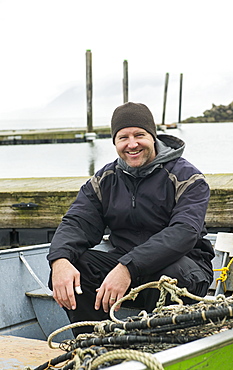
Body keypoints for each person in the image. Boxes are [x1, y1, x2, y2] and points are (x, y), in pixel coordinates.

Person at [47, 102, 215, 336]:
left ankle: (160, 346)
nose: (132, 144)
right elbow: (77, 221)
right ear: (115, 142)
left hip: (185, 265)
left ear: (153, 137)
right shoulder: (105, 179)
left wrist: (127, 267)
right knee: (75, 267)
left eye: (139, 135)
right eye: (123, 137)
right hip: (125, 262)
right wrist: (60, 260)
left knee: (169, 277)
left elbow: (184, 232)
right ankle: (97, 344)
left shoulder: (188, 178)